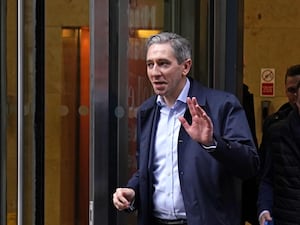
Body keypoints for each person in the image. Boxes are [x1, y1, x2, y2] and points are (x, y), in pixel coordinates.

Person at [113, 32, 259, 225]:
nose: (155, 72)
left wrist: (212, 143)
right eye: (150, 64)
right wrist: (133, 190)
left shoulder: (221, 106)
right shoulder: (147, 111)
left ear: (185, 66)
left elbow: (250, 166)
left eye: (164, 63)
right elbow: (149, 170)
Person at [257, 65, 300, 225]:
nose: (294, 96)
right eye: (291, 91)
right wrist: (264, 209)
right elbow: (266, 176)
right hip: (285, 216)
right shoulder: (276, 130)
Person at [258, 64, 300, 168]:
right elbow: (264, 167)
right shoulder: (273, 125)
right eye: (292, 90)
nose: (296, 95)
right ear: (285, 91)